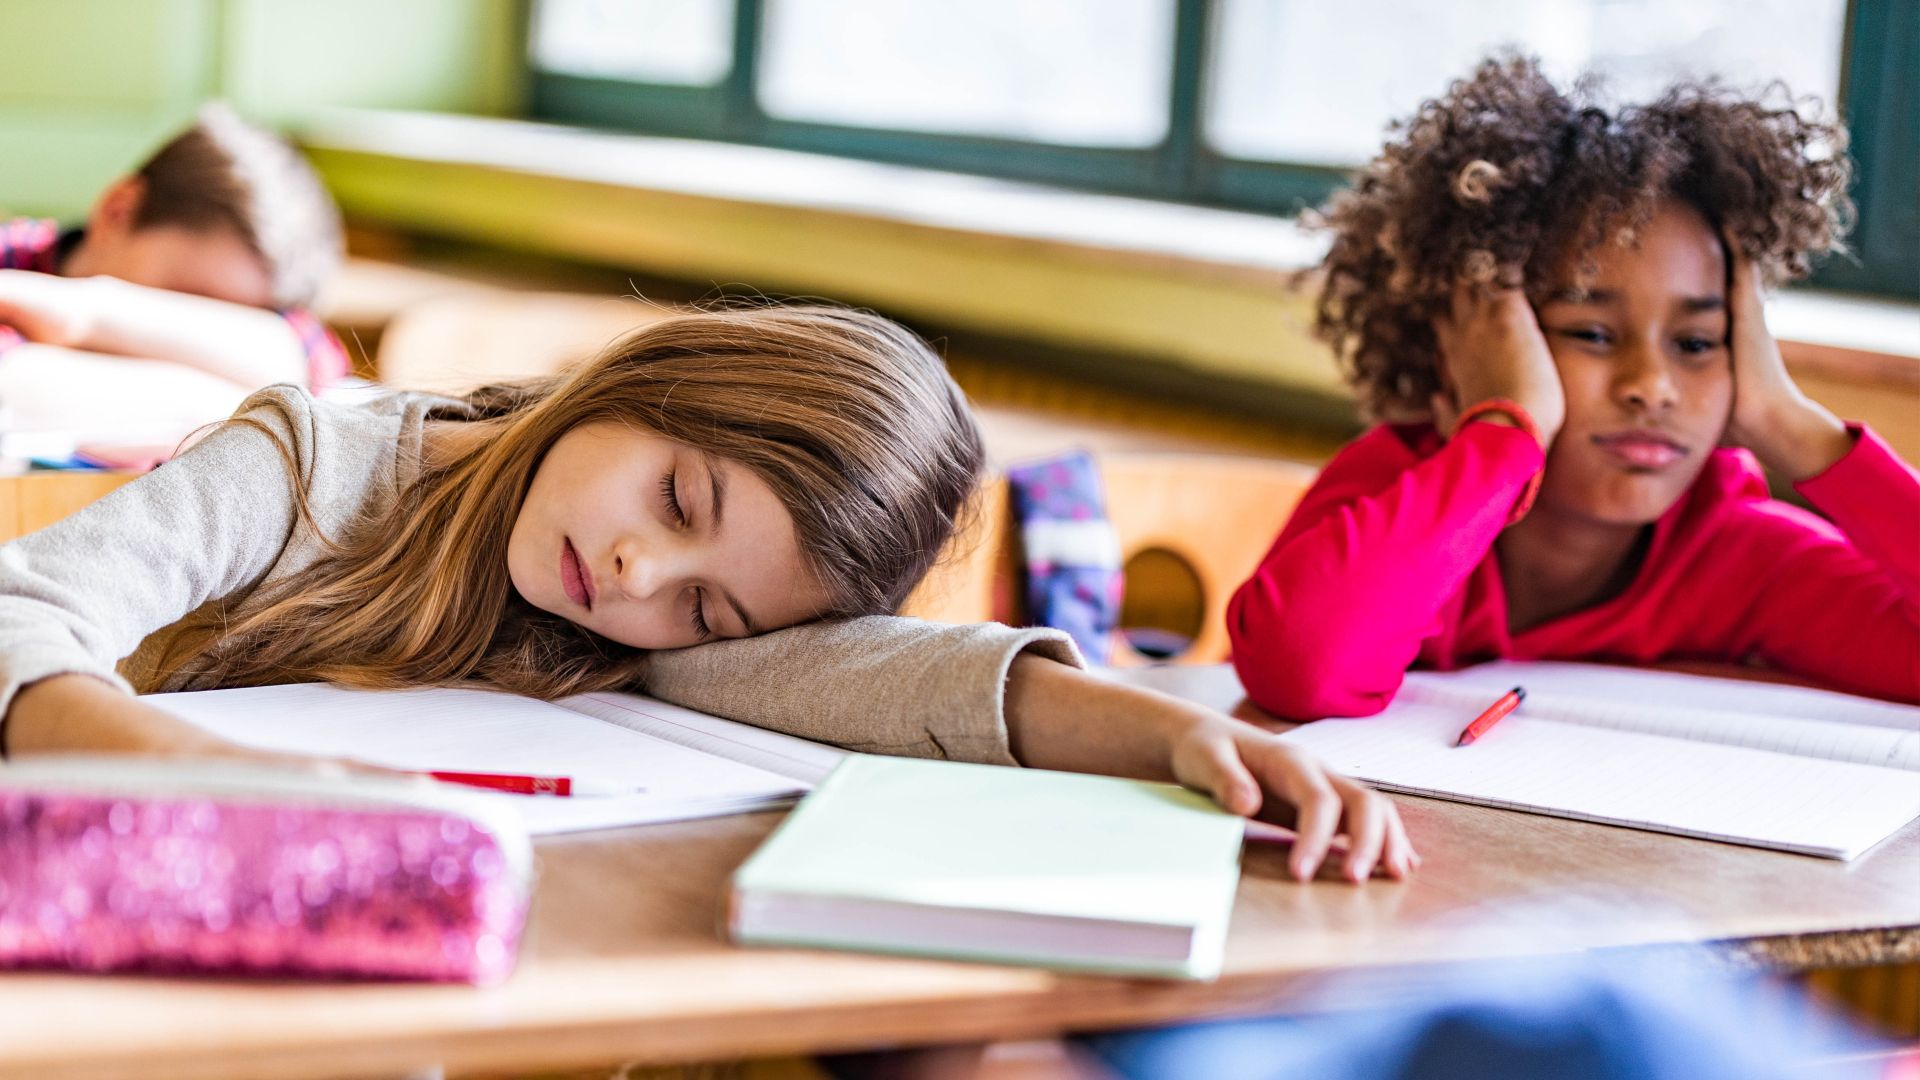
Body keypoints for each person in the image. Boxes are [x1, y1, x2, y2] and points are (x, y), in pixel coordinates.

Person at [0, 304, 1416, 883]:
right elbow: (26, 614)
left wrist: (1174, 736)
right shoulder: (310, 464)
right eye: (680, 499)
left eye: (709, 616)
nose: (640, 577)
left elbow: (891, 679)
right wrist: (194, 769)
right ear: (655, 377)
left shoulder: (611, 636)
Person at [1228, 55, 1918, 720]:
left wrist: (1792, 426)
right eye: (1590, 333)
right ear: (1468, 343)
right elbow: (1301, 670)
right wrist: (1507, 432)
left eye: (1698, 344)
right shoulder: (1397, 492)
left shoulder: (1733, 557)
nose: (1651, 386)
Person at [0, 103, 348, 436]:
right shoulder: (13, 255)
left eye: (219, 319)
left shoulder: (282, 328)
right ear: (117, 211)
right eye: (183, 299)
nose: (191, 329)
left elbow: (311, 360)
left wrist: (84, 312)